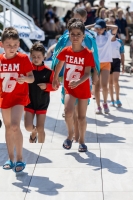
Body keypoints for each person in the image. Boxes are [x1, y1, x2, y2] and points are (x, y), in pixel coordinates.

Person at [51, 8, 100, 142]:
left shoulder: (89, 38)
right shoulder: (66, 37)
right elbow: (58, 56)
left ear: (84, 20)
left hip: (84, 81)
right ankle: (73, 134)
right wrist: (55, 76)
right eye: (74, 18)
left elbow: (94, 59)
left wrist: (96, 74)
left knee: (80, 113)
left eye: (79, 19)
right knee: (69, 110)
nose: (75, 36)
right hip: (68, 80)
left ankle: (79, 137)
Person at [0, 27, 34, 172]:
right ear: (1, 45)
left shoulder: (23, 58)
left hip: (19, 97)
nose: (12, 47)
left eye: (15, 44)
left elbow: (32, 78)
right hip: (4, 97)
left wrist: (25, 79)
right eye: (9, 45)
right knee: (8, 128)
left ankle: (20, 158)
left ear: (19, 44)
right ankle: (11, 158)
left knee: (15, 125)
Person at [24, 42, 57, 143]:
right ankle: (33, 132)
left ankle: (42, 149)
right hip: (29, 102)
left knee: (41, 128)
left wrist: (47, 86)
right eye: (33, 56)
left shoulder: (49, 72)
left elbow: (55, 86)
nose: (36, 59)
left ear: (44, 57)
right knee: (28, 126)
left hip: (42, 103)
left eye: (39, 56)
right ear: (30, 56)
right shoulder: (26, 69)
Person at [87, 19, 118, 114]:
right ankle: (98, 106)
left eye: (100, 28)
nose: (98, 30)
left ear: (104, 28)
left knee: (105, 85)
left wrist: (105, 25)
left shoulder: (108, 35)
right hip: (96, 63)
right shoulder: (93, 35)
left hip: (106, 63)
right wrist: (94, 24)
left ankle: (105, 103)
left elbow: (116, 27)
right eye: (97, 28)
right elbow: (83, 29)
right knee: (96, 86)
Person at [109, 34, 125, 107]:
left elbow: (122, 53)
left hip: (116, 61)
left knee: (116, 81)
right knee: (110, 82)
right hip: (108, 61)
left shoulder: (119, 42)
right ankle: (112, 100)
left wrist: (123, 65)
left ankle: (117, 99)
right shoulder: (106, 41)